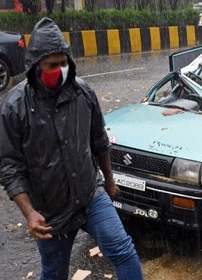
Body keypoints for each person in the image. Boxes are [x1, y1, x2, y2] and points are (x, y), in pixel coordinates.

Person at [0, 17, 143, 280]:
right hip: (50, 212)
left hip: (91, 197)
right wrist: (30, 213)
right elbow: (9, 168)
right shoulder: (15, 106)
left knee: (123, 251)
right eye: (51, 65)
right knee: (54, 274)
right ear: (35, 66)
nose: (60, 70)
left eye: (64, 63)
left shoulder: (83, 93)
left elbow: (99, 140)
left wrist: (109, 182)